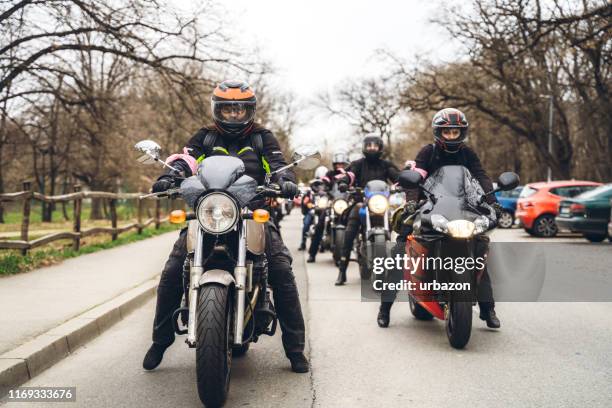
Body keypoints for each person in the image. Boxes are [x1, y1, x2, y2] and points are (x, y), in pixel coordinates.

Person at [142, 80, 309, 373]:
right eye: (228, 109)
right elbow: (187, 159)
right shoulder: (205, 137)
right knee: (172, 269)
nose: (234, 115)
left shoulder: (262, 138)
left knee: (281, 269)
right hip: (210, 214)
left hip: (251, 213)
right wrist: (172, 175)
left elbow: (276, 162)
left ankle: (295, 349)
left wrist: (285, 181)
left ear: (250, 111)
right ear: (217, 110)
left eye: (240, 109)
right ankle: (160, 340)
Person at [377, 107, 504, 329]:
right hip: (430, 207)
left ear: (462, 133)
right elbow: (416, 176)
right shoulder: (428, 152)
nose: (452, 136)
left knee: (479, 249)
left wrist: (492, 202)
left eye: (455, 132)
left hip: (463, 209)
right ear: (439, 132)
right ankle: (385, 308)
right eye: (447, 132)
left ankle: (488, 308)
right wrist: (411, 201)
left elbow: (481, 176)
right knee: (400, 251)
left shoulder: (468, 154)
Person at [336, 134, 400, 285]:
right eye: (369, 145)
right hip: (361, 202)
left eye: (375, 146)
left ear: (380, 148)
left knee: (396, 224)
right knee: (350, 230)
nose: (372, 148)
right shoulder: (358, 164)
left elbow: (397, 176)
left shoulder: (386, 165)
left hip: (380, 204)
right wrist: (344, 182)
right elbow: (349, 175)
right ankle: (342, 270)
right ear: (365, 148)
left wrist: (403, 182)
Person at [307, 153, 354, 263]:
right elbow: (324, 182)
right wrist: (322, 188)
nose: (339, 166)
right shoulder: (330, 173)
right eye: (337, 164)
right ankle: (312, 254)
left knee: (356, 221)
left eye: (342, 164)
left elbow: (355, 185)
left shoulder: (350, 175)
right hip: (333, 202)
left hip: (346, 203)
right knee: (320, 225)